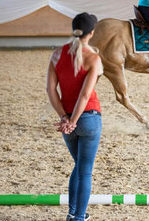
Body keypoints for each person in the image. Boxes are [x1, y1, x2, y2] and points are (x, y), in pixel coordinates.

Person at [46, 12, 103, 221]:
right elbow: (86, 94)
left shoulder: (56, 54)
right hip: (88, 119)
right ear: (92, 33)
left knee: (79, 166)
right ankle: (78, 217)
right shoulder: (93, 57)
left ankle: (73, 213)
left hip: (68, 120)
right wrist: (74, 121)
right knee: (85, 171)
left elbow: (50, 89)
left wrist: (64, 117)